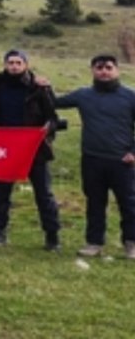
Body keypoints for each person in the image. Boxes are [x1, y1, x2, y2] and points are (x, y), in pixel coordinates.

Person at [0, 49, 61, 251]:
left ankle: (52, 237)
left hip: (34, 148)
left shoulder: (39, 87)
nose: (14, 66)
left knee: (43, 193)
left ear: (26, 64)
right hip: (4, 148)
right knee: (1, 192)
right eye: (10, 62)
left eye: (18, 62)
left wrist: (48, 128)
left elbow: (53, 117)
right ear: (5, 64)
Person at [53, 54, 135, 259]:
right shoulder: (83, 95)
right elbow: (54, 103)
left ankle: (131, 244)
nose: (104, 71)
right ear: (92, 70)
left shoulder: (130, 96)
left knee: (129, 204)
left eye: (108, 67)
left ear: (117, 70)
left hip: (122, 161)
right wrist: (40, 85)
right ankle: (94, 243)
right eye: (99, 67)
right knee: (95, 203)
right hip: (92, 159)